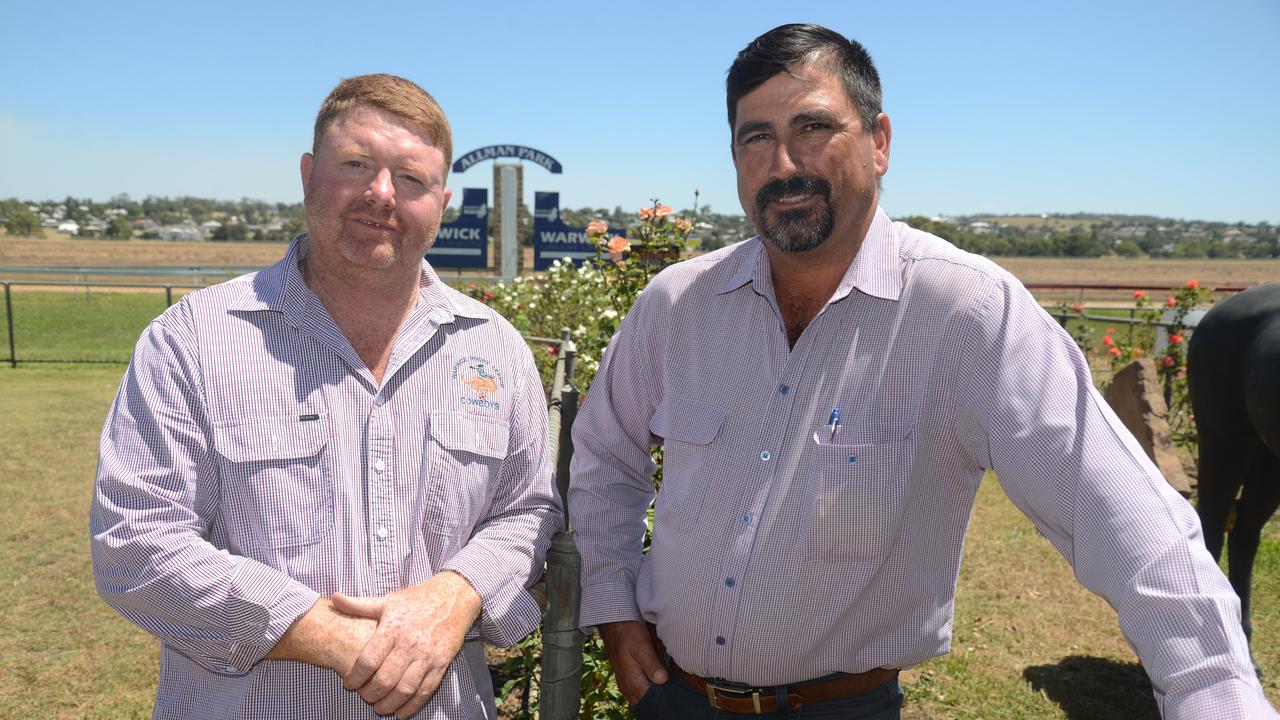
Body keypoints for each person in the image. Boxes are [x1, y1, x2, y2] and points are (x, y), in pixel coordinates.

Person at [568, 24, 1277, 720]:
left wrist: (1215, 695)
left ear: (879, 142)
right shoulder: (678, 305)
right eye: (756, 137)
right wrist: (612, 605)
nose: (783, 164)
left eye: (813, 127)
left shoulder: (966, 311)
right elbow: (604, 458)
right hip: (674, 699)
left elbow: (1126, 520)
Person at [91, 74, 561, 719]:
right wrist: (333, 638)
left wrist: (458, 592)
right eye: (356, 165)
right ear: (309, 174)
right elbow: (134, 541)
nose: (382, 194)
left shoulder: (493, 349)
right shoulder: (194, 340)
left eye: (411, 178)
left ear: (442, 201)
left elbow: (527, 512)